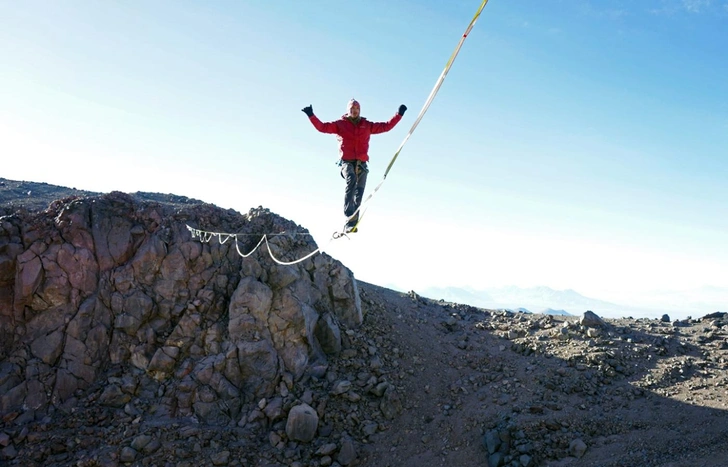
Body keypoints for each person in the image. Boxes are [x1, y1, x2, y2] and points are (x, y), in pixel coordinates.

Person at [302, 99, 407, 233]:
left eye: (356, 109)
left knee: (359, 193)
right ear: (348, 111)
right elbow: (322, 127)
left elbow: (386, 126)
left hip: (362, 165)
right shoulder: (340, 124)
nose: (354, 111)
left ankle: (351, 224)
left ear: (359, 110)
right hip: (347, 163)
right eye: (352, 109)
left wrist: (398, 115)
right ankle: (348, 215)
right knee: (351, 178)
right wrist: (311, 115)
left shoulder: (366, 125)